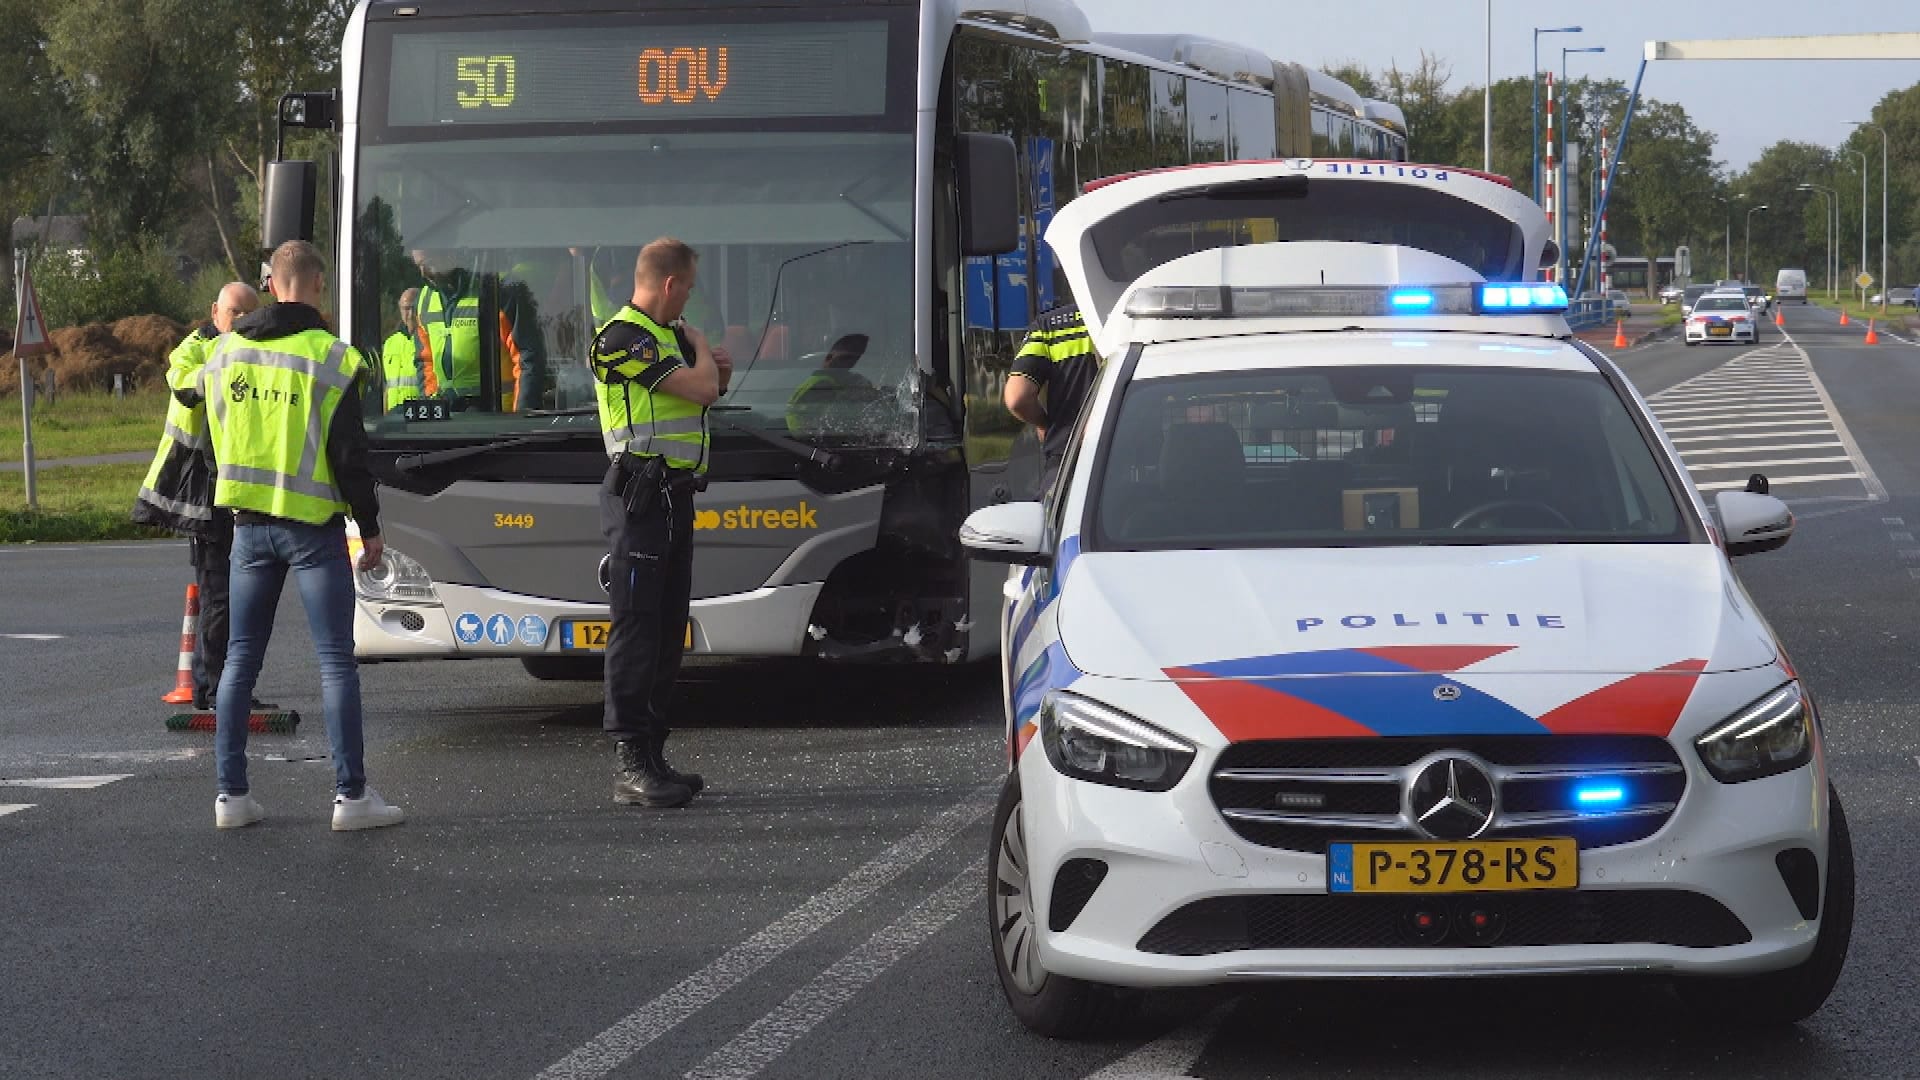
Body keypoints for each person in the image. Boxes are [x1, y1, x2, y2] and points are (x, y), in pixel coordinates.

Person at [190, 239, 404, 832]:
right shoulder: (330, 358)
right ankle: (351, 797)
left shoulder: (225, 354)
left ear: (270, 283)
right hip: (312, 530)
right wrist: (371, 526)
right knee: (335, 661)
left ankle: (230, 798)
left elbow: (208, 443)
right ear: (315, 284)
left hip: (247, 529)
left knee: (239, 660)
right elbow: (350, 456)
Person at [591, 238, 730, 809]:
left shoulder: (667, 339)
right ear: (669, 283)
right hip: (639, 499)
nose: (690, 299)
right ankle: (630, 760)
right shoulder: (620, 338)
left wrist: (706, 366)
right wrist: (702, 352)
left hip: (674, 496)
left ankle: (654, 754)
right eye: (690, 287)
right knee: (636, 627)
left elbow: (707, 387)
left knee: (669, 628)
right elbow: (701, 387)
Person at [133, 282, 260, 711]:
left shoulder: (257, 349)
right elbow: (183, 380)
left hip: (243, 485)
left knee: (242, 593)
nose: (240, 321)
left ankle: (228, 684)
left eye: (249, 313)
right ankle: (216, 687)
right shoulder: (196, 347)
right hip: (203, 490)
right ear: (215, 311)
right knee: (219, 592)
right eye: (234, 312)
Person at [412, 248, 546, 412]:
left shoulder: (501, 291)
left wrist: (523, 417)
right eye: (418, 265)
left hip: (500, 420)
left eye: (429, 264)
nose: (423, 273)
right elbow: (425, 362)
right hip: (449, 422)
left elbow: (527, 359)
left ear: (450, 252)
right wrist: (431, 411)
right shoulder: (424, 300)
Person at [1003, 297, 1098, 494]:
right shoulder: (1144, 315)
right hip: (1133, 461)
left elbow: (1017, 397)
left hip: (1067, 462)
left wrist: (1044, 424)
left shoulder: (1050, 326)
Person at [785, 333, 876, 435]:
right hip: (805, 445)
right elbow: (817, 425)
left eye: (854, 360)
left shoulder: (833, 380)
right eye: (844, 359)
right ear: (828, 358)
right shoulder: (822, 385)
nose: (848, 365)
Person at [380, 288, 422, 411]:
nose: (408, 314)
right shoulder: (390, 343)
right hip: (393, 416)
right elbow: (387, 388)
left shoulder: (429, 340)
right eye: (404, 309)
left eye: (411, 308)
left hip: (420, 414)